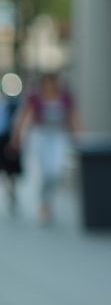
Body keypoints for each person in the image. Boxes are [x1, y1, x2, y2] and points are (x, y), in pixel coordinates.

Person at [13, 72, 81, 224]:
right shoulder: (35, 97)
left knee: (55, 170)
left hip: (58, 136)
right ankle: (44, 203)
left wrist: (80, 134)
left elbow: (73, 116)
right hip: (41, 135)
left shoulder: (64, 97)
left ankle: (48, 200)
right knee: (45, 170)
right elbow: (25, 115)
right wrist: (18, 135)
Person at [0, 78, 22, 212]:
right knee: (3, 168)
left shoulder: (16, 103)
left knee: (12, 168)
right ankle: (9, 190)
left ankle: (12, 191)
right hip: (1, 138)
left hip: (11, 138)